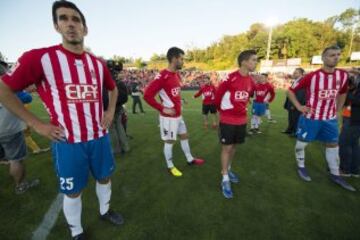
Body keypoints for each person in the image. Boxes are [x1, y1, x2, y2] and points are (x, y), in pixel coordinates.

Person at [0, 1, 123, 239]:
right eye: (64, 18)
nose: (70, 24)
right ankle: (76, 231)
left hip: (98, 137)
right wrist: (37, 124)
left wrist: (108, 113)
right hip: (68, 142)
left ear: (85, 29)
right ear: (56, 26)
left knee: (105, 177)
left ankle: (105, 210)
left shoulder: (97, 63)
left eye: (76, 19)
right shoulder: (39, 58)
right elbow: (4, 90)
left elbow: (112, 88)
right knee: (73, 191)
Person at [287, 45, 355, 192]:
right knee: (302, 144)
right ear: (323, 58)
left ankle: (335, 174)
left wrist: (337, 110)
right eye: (331, 55)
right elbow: (291, 91)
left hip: (329, 119)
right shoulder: (312, 76)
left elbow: (343, 93)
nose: (335, 57)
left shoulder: (343, 75)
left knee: (333, 145)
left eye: (338, 55)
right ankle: (301, 166)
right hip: (311, 118)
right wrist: (299, 107)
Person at [144, 47, 205, 177]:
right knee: (170, 141)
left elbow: (173, 94)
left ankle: (190, 159)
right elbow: (147, 95)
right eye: (181, 59)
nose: (183, 62)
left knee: (184, 136)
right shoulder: (162, 76)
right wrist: (162, 108)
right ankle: (170, 166)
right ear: (174, 59)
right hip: (168, 118)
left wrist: (180, 101)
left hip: (178, 115)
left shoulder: (175, 74)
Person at [214, 50, 256, 199]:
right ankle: (224, 177)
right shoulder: (230, 78)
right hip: (227, 120)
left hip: (242, 120)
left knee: (234, 147)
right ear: (244, 62)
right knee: (227, 148)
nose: (255, 63)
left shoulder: (251, 80)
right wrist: (221, 115)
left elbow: (247, 97)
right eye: (253, 60)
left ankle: (228, 169)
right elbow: (217, 98)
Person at [0, 60, 40, 194]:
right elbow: (27, 98)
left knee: (6, 158)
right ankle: (21, 185)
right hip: (8, 128)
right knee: (16, 160)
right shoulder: (6, 85)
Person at [339, 69, 360, 177]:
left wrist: (346, 90)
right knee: (353, 145)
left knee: (344, 143)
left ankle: (345, 169)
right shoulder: (355, 84)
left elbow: (356, 100)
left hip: (354, 120)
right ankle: (354, 170)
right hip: (350, 118)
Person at [283, 68, 305, 136]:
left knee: (296, 118)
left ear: (301, 74)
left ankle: (295, 132)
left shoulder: (302, 81)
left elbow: (300, 95)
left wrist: (295, 105)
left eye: (296, 73)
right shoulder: (295, 81)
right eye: (294, 72)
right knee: (291, 117)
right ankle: (290, 130)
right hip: (292, 102)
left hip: (296, 103)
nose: (294, 74)